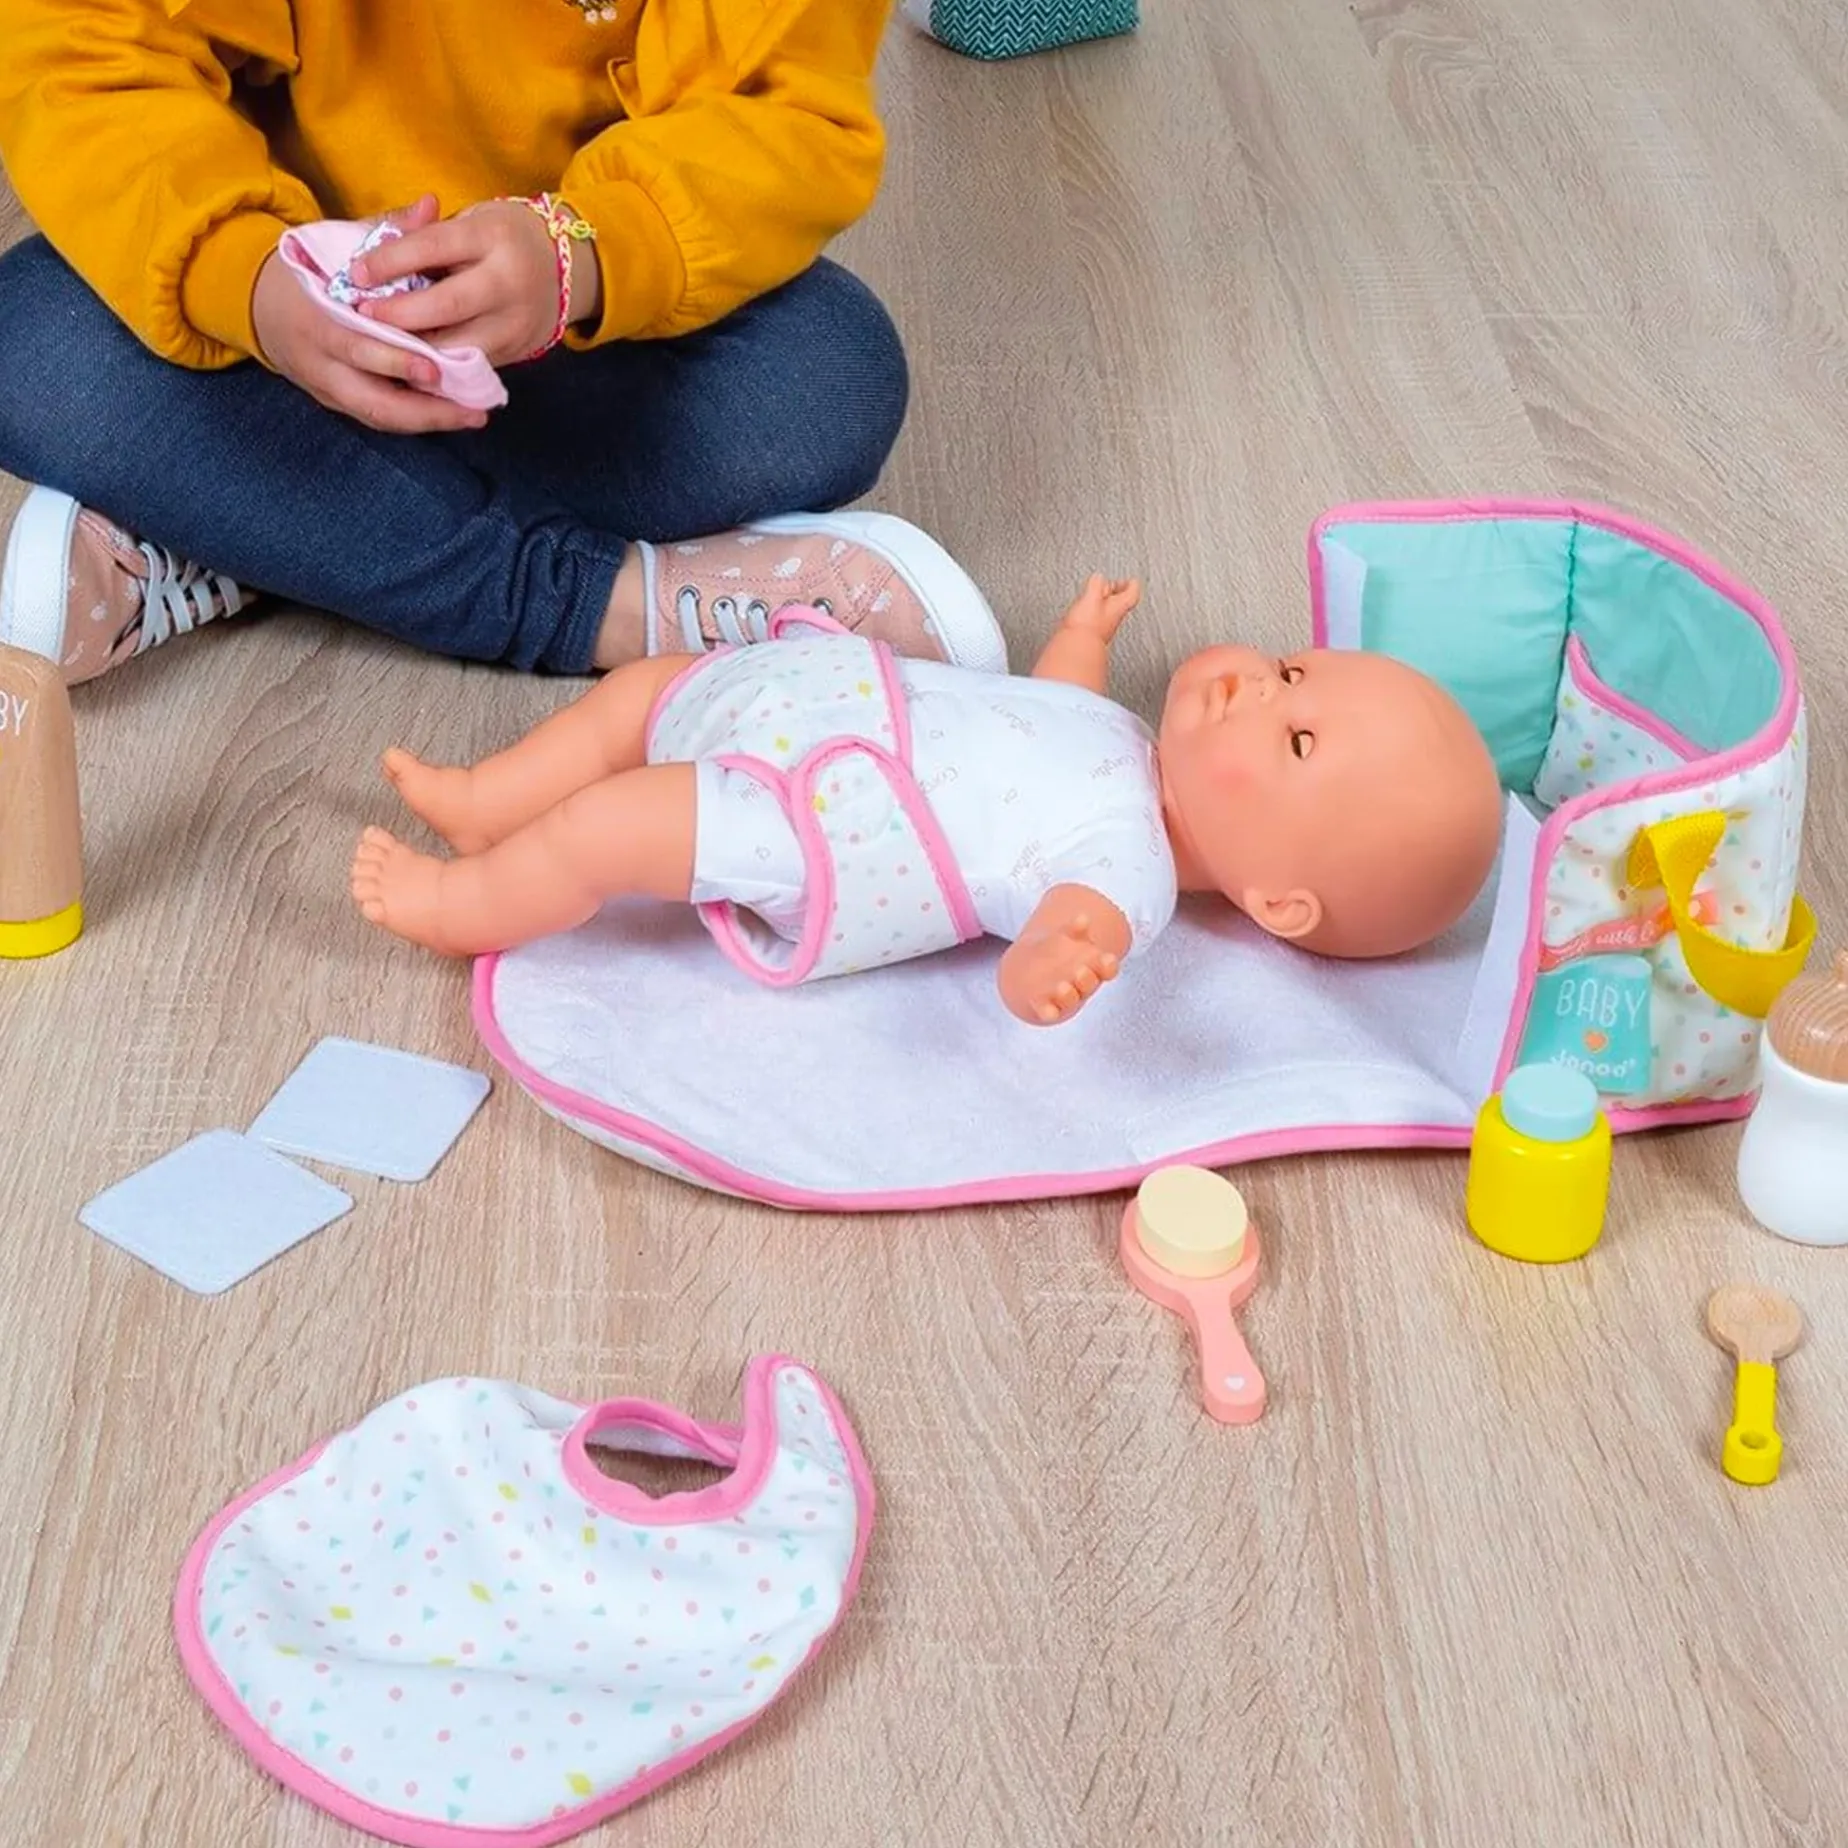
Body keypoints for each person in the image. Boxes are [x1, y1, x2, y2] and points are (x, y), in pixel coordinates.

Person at [0, 0, 1004, 687]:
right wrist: (246, 278)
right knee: (30, 335)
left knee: (826, 376)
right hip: (275, 316)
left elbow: (781, 115)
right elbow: (86, 52)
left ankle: (258, 519)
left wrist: (589, 252)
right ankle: (609, 608)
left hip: (578, 326)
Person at [349, 577, 1507, 1024]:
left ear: (1278, 900)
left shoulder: (1133, 870)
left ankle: (461, 903)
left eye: (1294, 734)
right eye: (1293, 670)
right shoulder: (1131, 744)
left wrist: (1052, 964)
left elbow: (1075, 922)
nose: (1261, 684)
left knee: (613, 827)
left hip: (840, 822)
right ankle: (484, 801)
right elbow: (1052, 715)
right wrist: (1082, 638)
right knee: (644, 695)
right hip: (830, 707)